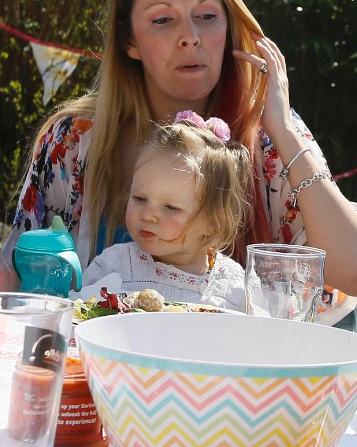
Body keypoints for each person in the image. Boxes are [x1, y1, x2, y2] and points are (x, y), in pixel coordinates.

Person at [0, 0, 357, 325]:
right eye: (162, 19)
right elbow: (24, 283)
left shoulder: (268, 136)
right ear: (129, 41)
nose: (190, 35)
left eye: (207, 16)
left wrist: (282, 127)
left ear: (228, 28)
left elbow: (356, 273)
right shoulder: (73, 139)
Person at [81, 114, 266, 313]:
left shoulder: (234, 289)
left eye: (171, 207)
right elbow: (80, 319)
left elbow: (257, 339)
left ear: (213, 220)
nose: (148, 215)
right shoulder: (113, 267)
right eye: (140, 198)